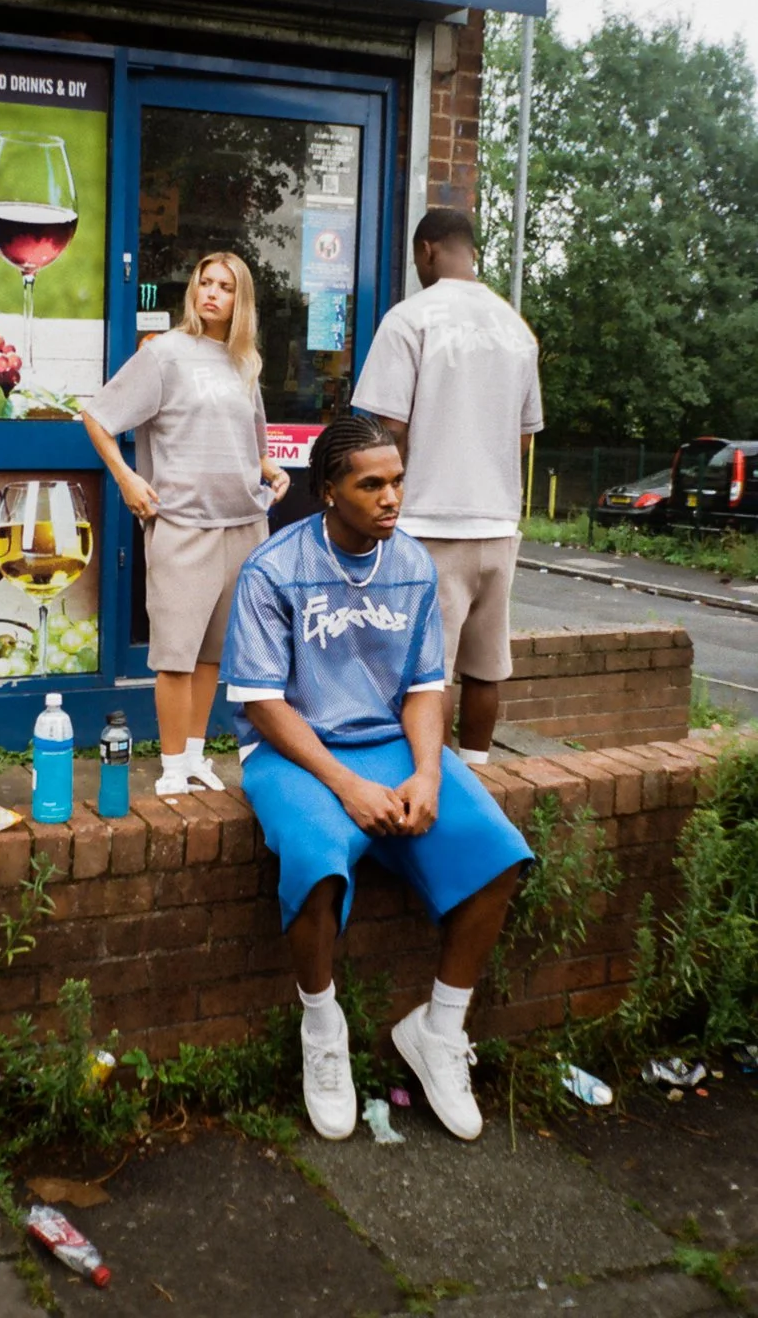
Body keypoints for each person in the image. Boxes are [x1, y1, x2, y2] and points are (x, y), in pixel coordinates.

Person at [220, 415, 532, 1141]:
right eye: (371, 484)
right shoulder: (273, 567)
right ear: (328, 491)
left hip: (391, 745)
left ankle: (438, 1031)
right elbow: (261, 703)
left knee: (496, 852)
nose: (390, 497)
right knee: (317, 861)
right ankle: (322, 1035)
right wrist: (345, 786)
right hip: (294, 753)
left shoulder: (413, 563)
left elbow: (427, 685)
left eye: (395, 481)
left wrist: (426, 771)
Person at [82, 251, 290, 796]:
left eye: (224, 286)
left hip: (244, 525)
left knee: (213, 655)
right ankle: (172, 766)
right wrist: (128, 479)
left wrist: (270, 469)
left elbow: (252, 441)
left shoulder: (246, 362)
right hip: (183, 524)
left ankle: (196, 756)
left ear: (240, 299)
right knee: (175, 654)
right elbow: (98, 416)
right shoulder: (165, 355)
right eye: (205, 282)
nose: (211, 293)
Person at [353, 208, 543, 765]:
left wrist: (381, 506)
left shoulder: (412, 318)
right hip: (498, 528)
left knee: (421, 673)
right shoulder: (516, 328)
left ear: (428, 250)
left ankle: (424, 783)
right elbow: (525, 439)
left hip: (428, 529)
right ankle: (478, 778)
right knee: (486, 668)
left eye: (417, 257)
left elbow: (387, 435)